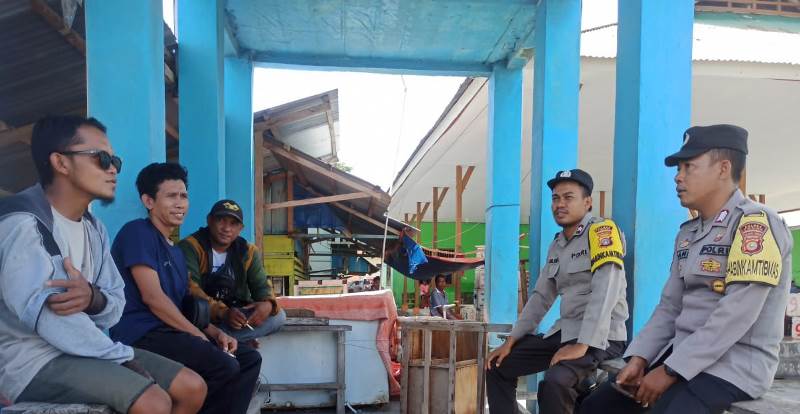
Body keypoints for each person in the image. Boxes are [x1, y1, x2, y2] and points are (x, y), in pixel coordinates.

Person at [580, 125, 793, 414]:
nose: (678, 177)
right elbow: (669, 307)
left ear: (723, 168)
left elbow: (736, 316)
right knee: (598, 406)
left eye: (688, 167)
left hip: (734, 366)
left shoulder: (754, 224)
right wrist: (640, 358)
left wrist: (670, 371)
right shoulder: (690, 232)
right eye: (678, 168)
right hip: (680, 354)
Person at [0, 115, 205, 414]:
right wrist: (119, 357)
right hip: (31, 362)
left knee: (192, 387)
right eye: (101, 158)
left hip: (85, 350)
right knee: (154, 402)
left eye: (115, 161)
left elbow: (115, 304)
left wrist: (93, 298)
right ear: (61, 162)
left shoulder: (93, 228)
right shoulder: (24, 224)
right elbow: (51, 319)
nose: (113, 169)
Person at [110, 163, 261, 414]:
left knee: (248, 359)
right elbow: (153, 298)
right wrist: (198, 336)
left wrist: (216, 333)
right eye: (171, 196)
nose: (180, 203)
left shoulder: (176, 252)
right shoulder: (137, 233)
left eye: (183, 196)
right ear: (149, 201)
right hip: (141, 333)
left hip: (170, 332)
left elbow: (184, 307)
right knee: (223, 365)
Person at [486, 169, 629, 414]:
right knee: (498, 365)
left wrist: (583, 345)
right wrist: (512, 340)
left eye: (568, 197)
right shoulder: (558, 244)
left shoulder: (602, 232)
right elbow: (541, 297)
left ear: (587, 202)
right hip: (565, 332)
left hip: (603, 337)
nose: (560, 204)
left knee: (555, 382)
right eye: (555, 198)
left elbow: (606, 292)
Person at [178, 199, 285, 345]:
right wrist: (223, 312)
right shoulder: (190, 247)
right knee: (192, 311)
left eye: (233, 224)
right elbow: (190, 289)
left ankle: (218, 340)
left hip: (233, 319)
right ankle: (219, 339)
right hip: (201, 319)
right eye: (221, 220)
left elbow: (261, 286)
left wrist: (267, 304)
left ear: (240, 228)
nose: (227, 228)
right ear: (209, 220)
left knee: (278, 317)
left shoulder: (247, 251)